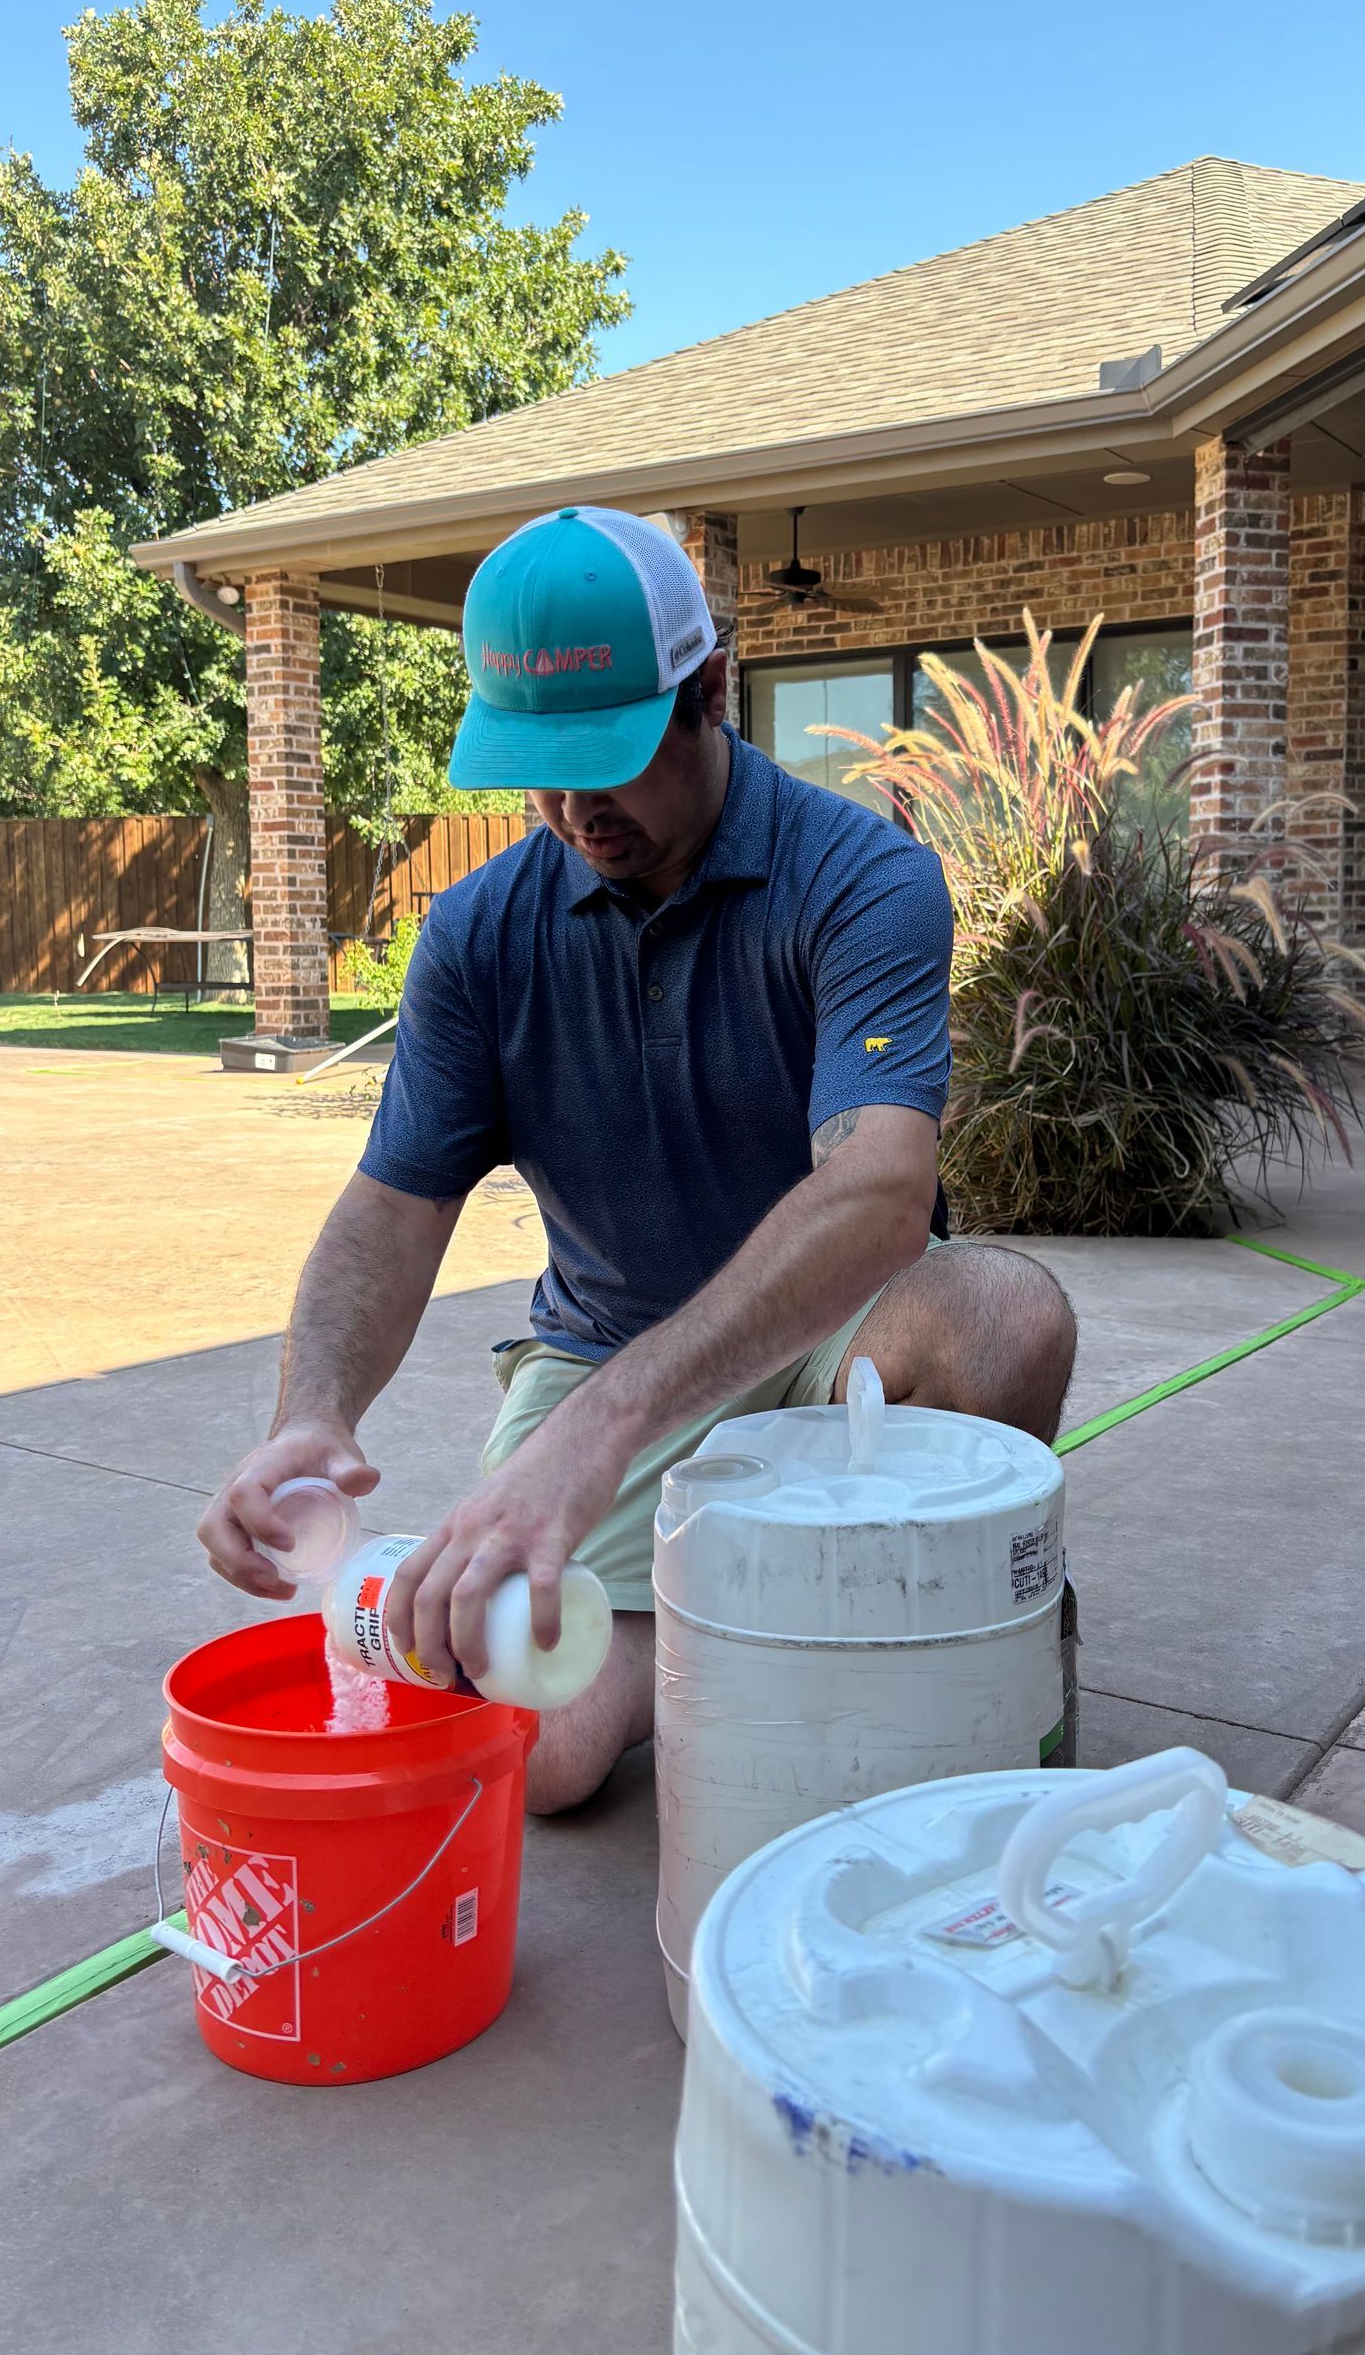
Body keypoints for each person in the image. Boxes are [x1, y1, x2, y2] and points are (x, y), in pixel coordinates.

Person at [200, 505, 1077, 1810]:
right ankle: (729, 1607)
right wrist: (312, 1412)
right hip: (604, 1339)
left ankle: (944, 1621)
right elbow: (391, 1210)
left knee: (1002, 1316)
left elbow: (885, 1193)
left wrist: (605, 1438)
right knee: (539, 1759)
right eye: (534, 767)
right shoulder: (481, 939)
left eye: (604, 757)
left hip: (842, 1336)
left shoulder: (859, 878)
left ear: (711, 690)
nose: (568, 806)